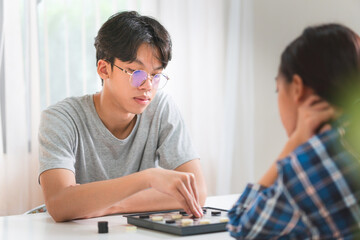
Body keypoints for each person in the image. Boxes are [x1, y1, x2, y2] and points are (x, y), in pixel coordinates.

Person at [38, 11, 206, 222]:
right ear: (104, 69)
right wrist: (148, 179)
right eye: (136, 73)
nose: (147, 86)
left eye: (155, 75)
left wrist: (106, 206)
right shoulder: (61, 118)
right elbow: (60, 204)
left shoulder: (160, 108)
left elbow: (197, 192)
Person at [227, 23, 360, 239]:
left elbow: (243, 228)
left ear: (297, 88)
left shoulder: (313, 161)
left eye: (278, 89)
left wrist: (293, 144)